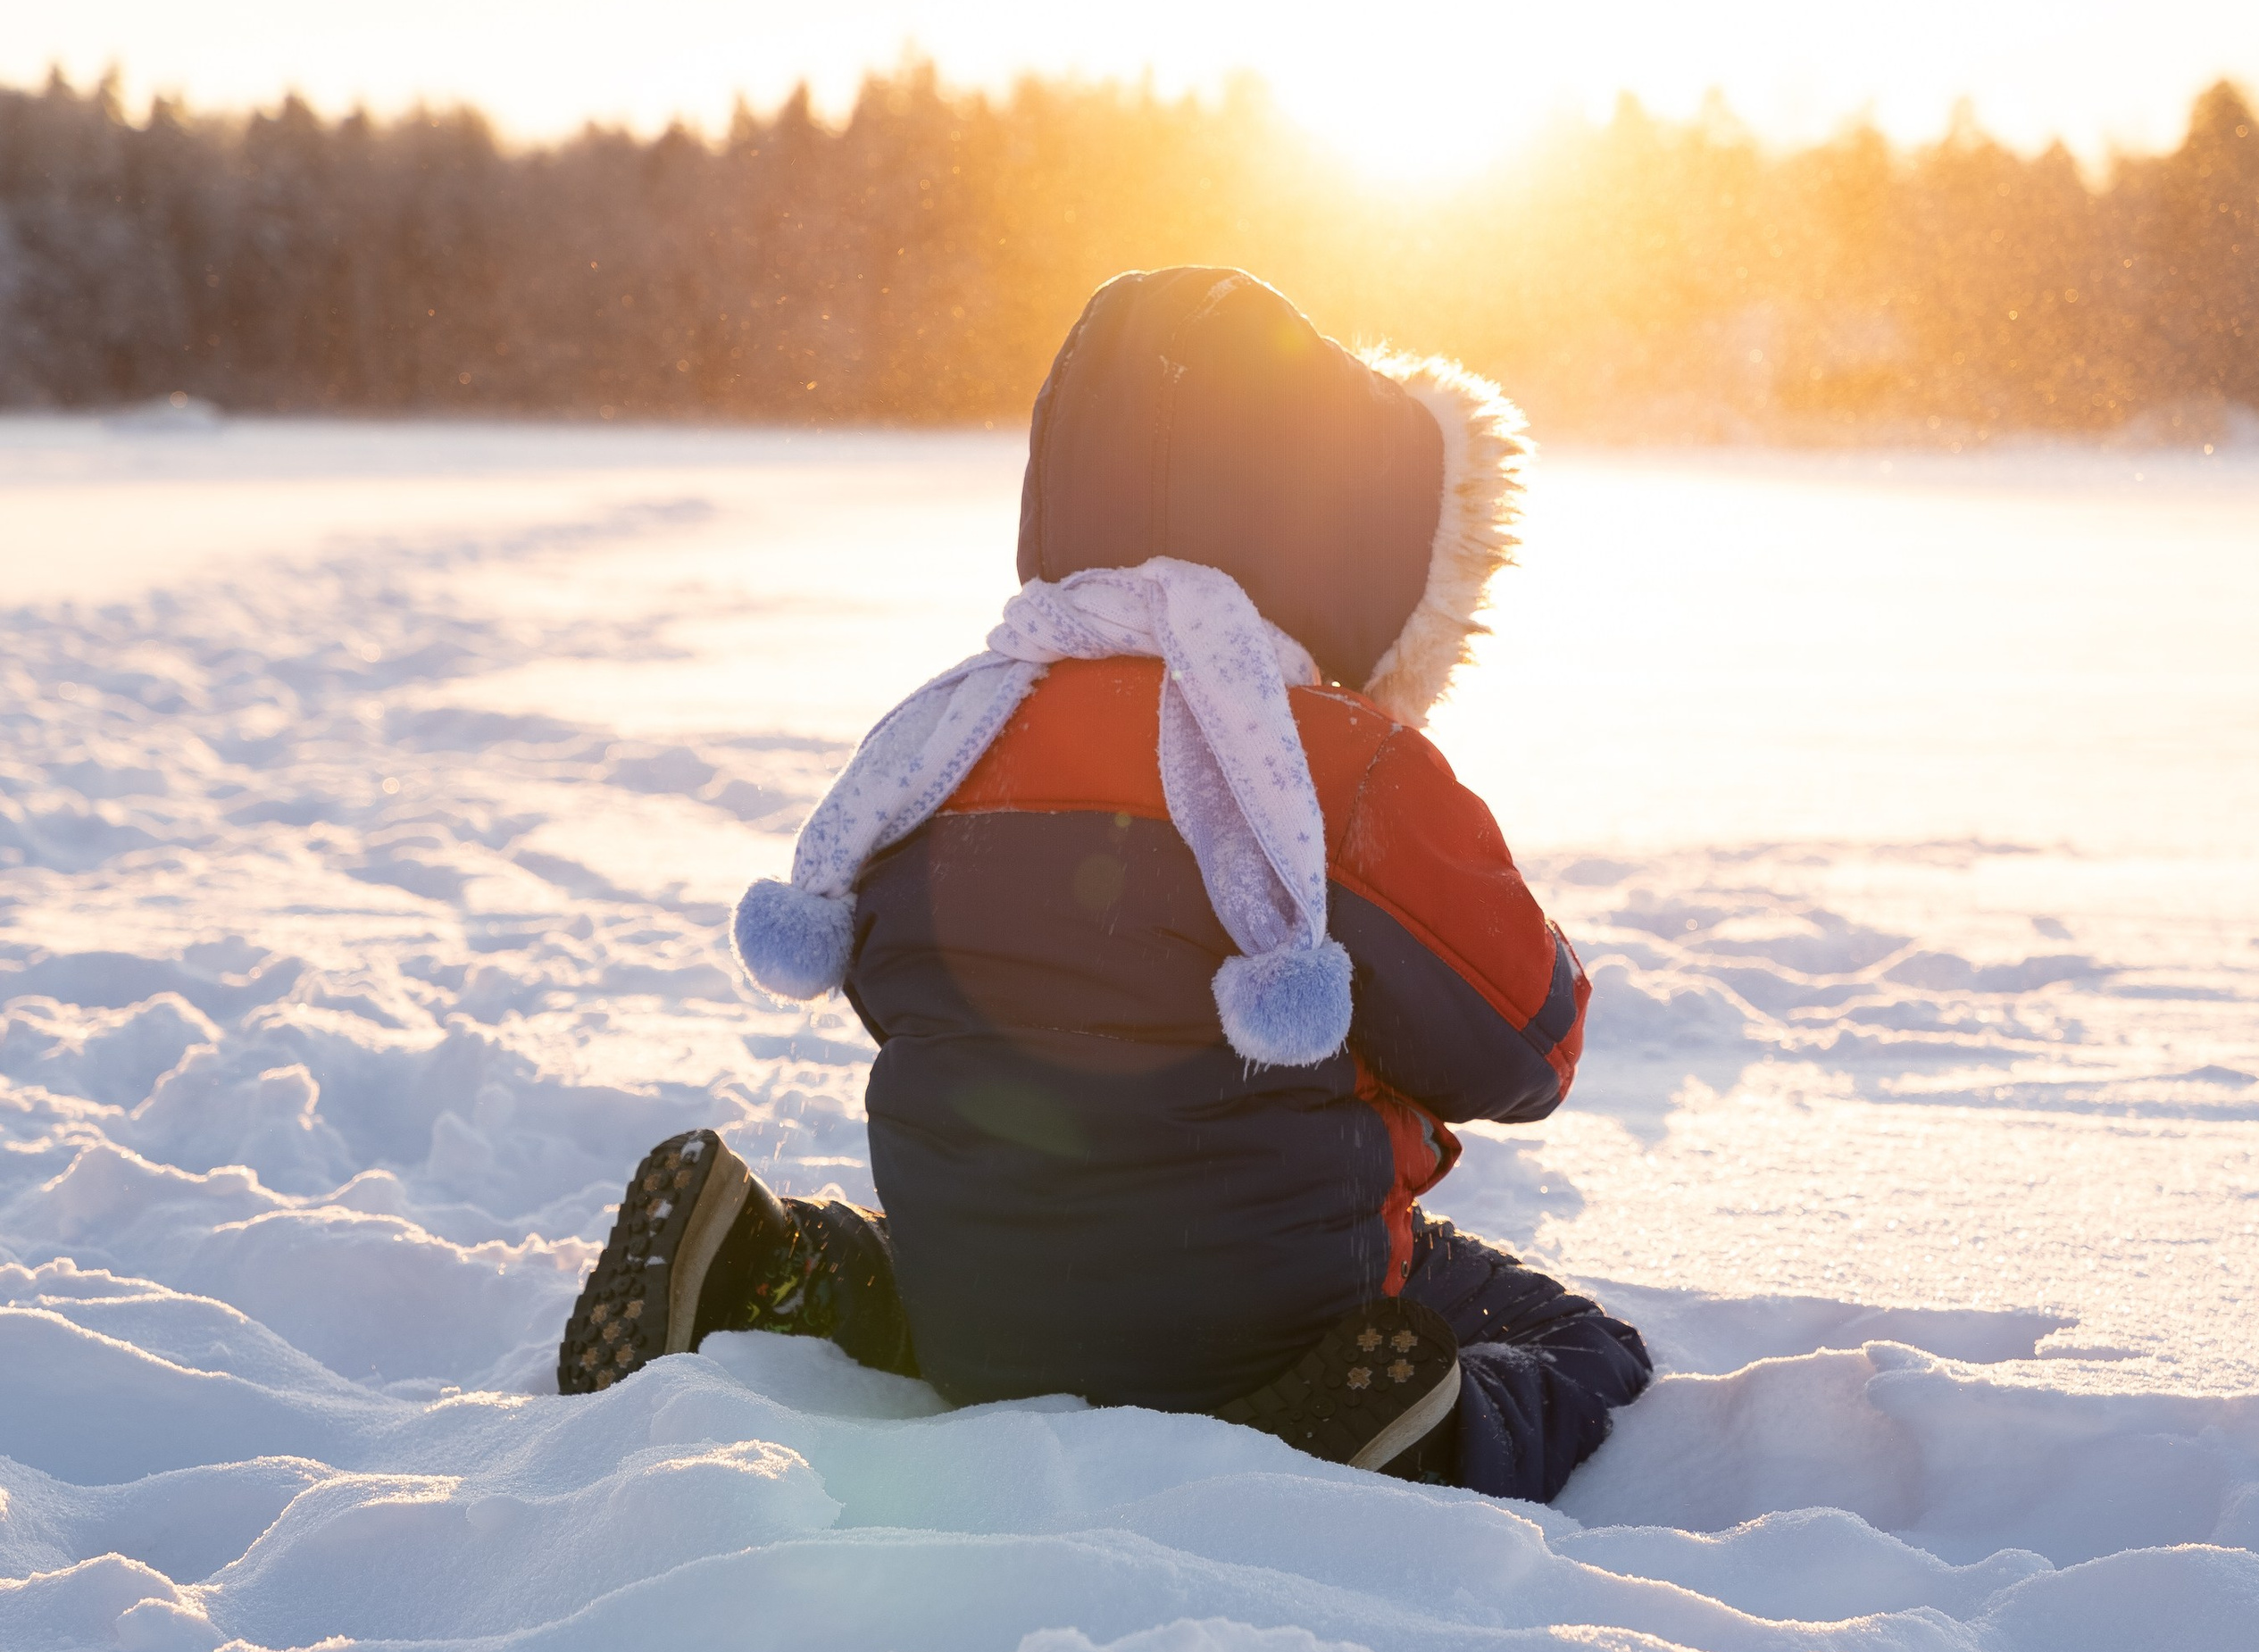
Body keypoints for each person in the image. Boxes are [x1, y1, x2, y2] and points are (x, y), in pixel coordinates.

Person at [560, 266, 1649, 1498]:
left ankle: (761, 1265)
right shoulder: (1333, 770)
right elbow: (1523, 1052)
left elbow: (906, 998)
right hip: (1271, 1322)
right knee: (1574, 1344)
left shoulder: (941, 742)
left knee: (956, 1273)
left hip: (980, 1322)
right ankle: (1398, 1431)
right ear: (1355, 547)